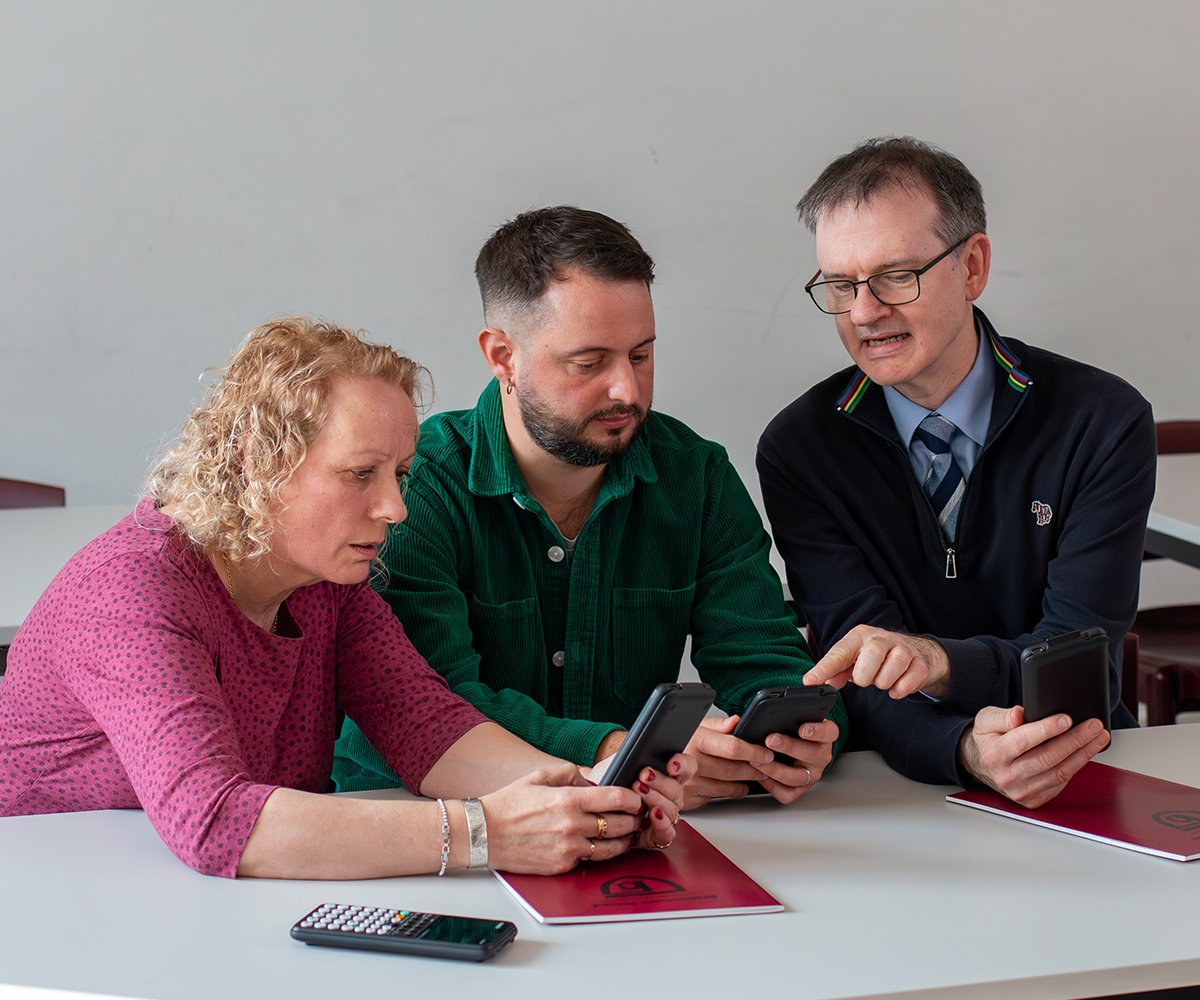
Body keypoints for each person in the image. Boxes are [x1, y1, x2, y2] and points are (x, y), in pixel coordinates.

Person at [0, 317, 690, 878]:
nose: (394, 508)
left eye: (400, 474)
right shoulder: (133, 591)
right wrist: (485, 835)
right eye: (360, 474)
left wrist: (581, 789)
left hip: (179, 898)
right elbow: (215, 822)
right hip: (49, 909)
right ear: (259, 462)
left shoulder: (326, 581)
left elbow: (428, 729)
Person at [334, 207, 846, 809]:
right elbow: (433, 704)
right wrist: (613, 750)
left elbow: (759, 652)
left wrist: (783, 741)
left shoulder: (697, 478)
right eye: (589, 363)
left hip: (623, 821)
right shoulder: (416, 484)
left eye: (641, 355)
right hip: (411, 820)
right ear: (503, 357)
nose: (627, 390)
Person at [757, 137, 1155, 808]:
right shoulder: (801, 449)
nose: (863, 313)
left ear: (971, 266)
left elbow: (1078, 666)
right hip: (894, 791)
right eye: (841, 285)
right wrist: (963, 748)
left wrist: (940, 665)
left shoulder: (1101, 421)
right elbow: (857, 672)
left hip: (1077, 774)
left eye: (895, 276)